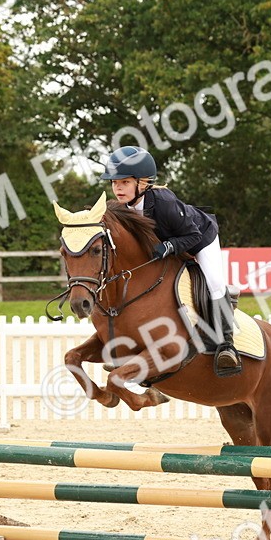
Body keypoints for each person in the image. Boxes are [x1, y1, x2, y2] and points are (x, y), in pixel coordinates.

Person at [99, 146, 241, 376]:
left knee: (214, 283)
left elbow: (193, 236)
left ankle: (226, 345)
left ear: (142, 183)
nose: (117, 188)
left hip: (200, 238)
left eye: (124, 182)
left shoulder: (164, 201)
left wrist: (169, 246)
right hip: (169, 245)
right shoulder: (122, 209)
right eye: (114, 183)